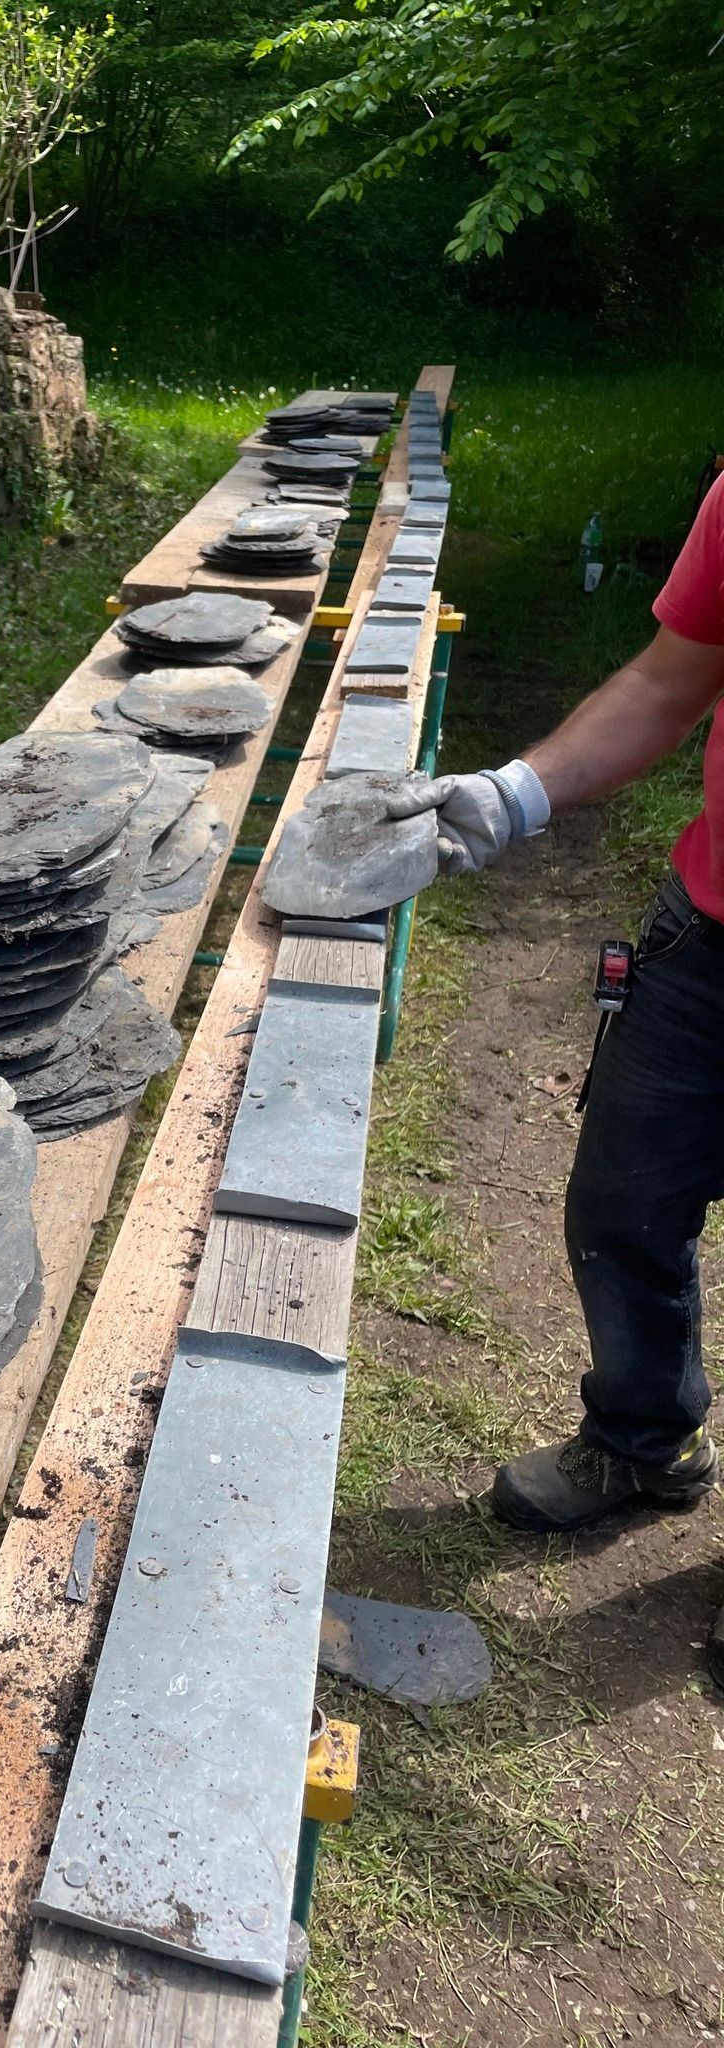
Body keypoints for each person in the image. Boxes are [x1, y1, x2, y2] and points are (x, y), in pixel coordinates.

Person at [390, 474, 724, 1684]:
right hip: (710, 941)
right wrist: (513, 794)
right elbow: (671, 680)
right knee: (623, 1201)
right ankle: (641, 1436)